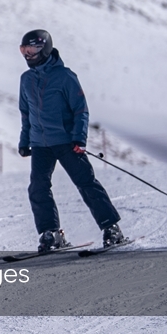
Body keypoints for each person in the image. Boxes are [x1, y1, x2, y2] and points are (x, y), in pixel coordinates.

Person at [17, 29, 126, 251]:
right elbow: (25, 112)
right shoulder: (26, 79)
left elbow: (80, 110)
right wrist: (24, 140)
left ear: (45, 49)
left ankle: (111, 229)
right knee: (38, 188)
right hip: (40, 144)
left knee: (86, 183)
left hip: (66, 142)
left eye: (33, 49)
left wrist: (79, 138)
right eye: (24, 50)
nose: (28, 55)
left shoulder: (65, 77)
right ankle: (51, 234)